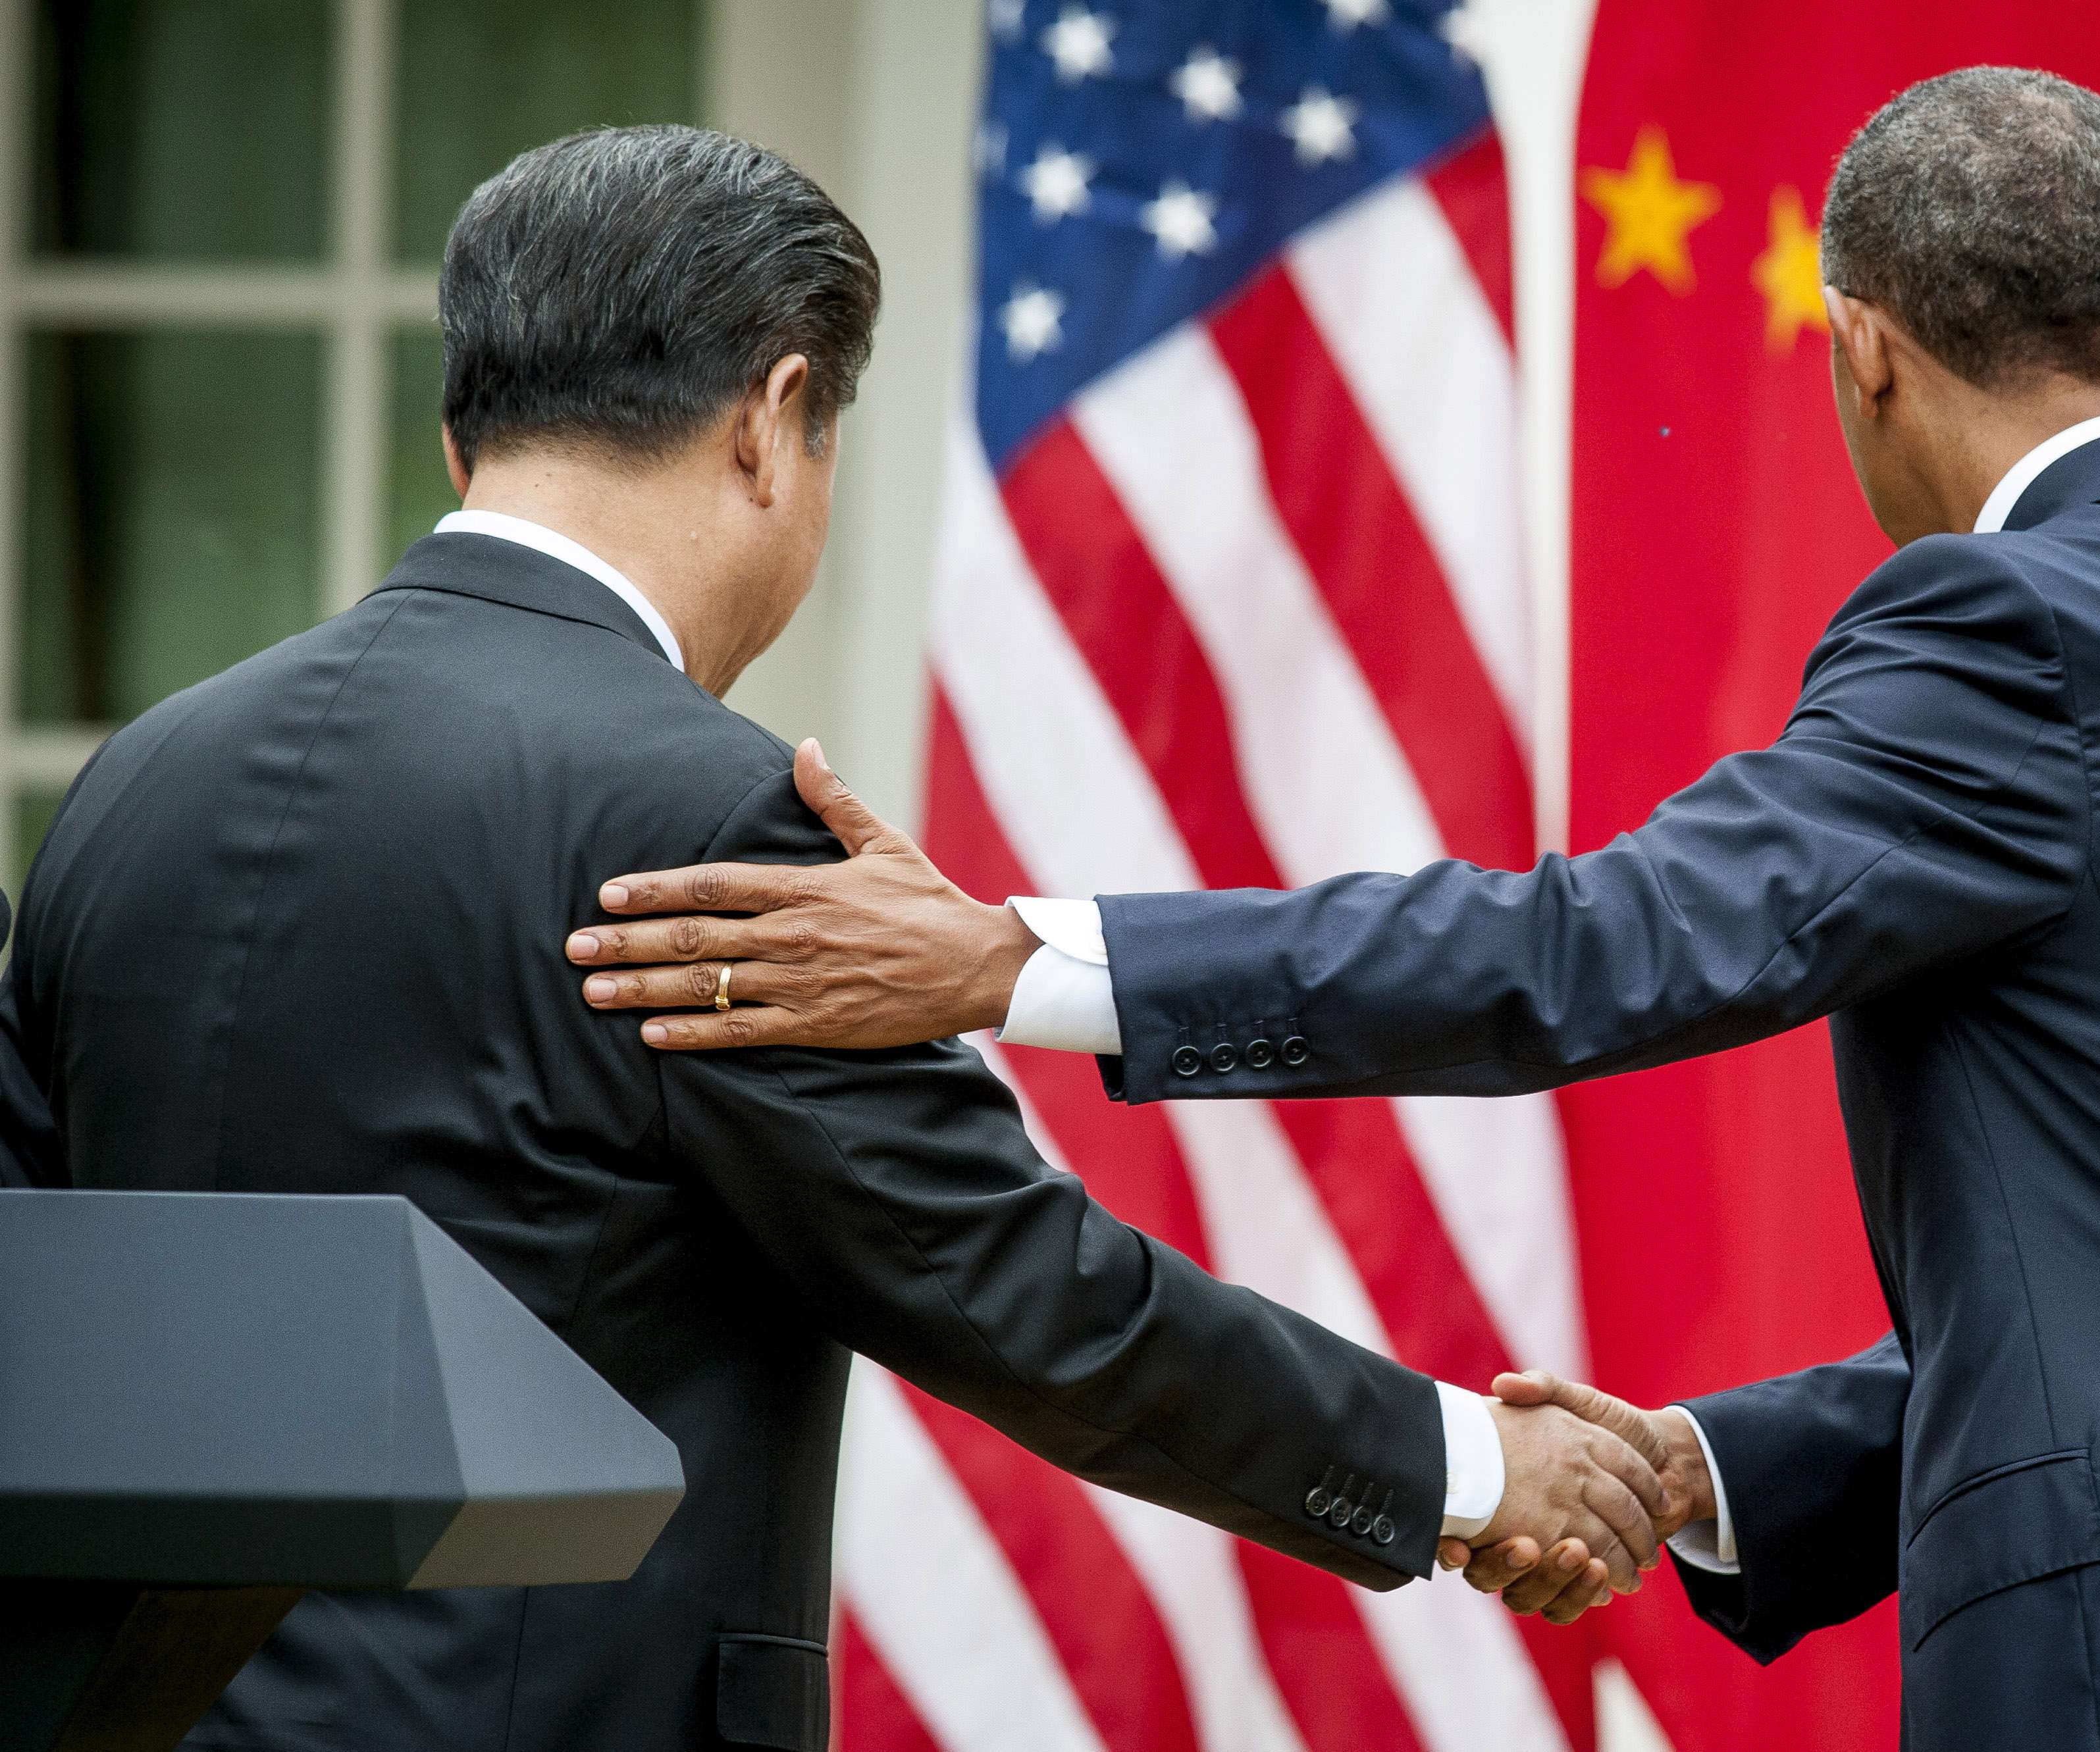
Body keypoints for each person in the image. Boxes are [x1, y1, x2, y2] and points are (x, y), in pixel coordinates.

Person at [566, 70, 2100, 1751]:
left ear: (1868, 357)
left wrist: (1024, 957)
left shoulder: (2005, 617)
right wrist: (1708, 1468)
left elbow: (1594, 944)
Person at [0, 126, 1675, 1752]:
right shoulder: (703, 817)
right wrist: (1462, 1466)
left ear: (463, 439)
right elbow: (1017, 1289)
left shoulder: (134, 790)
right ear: (773, 416)